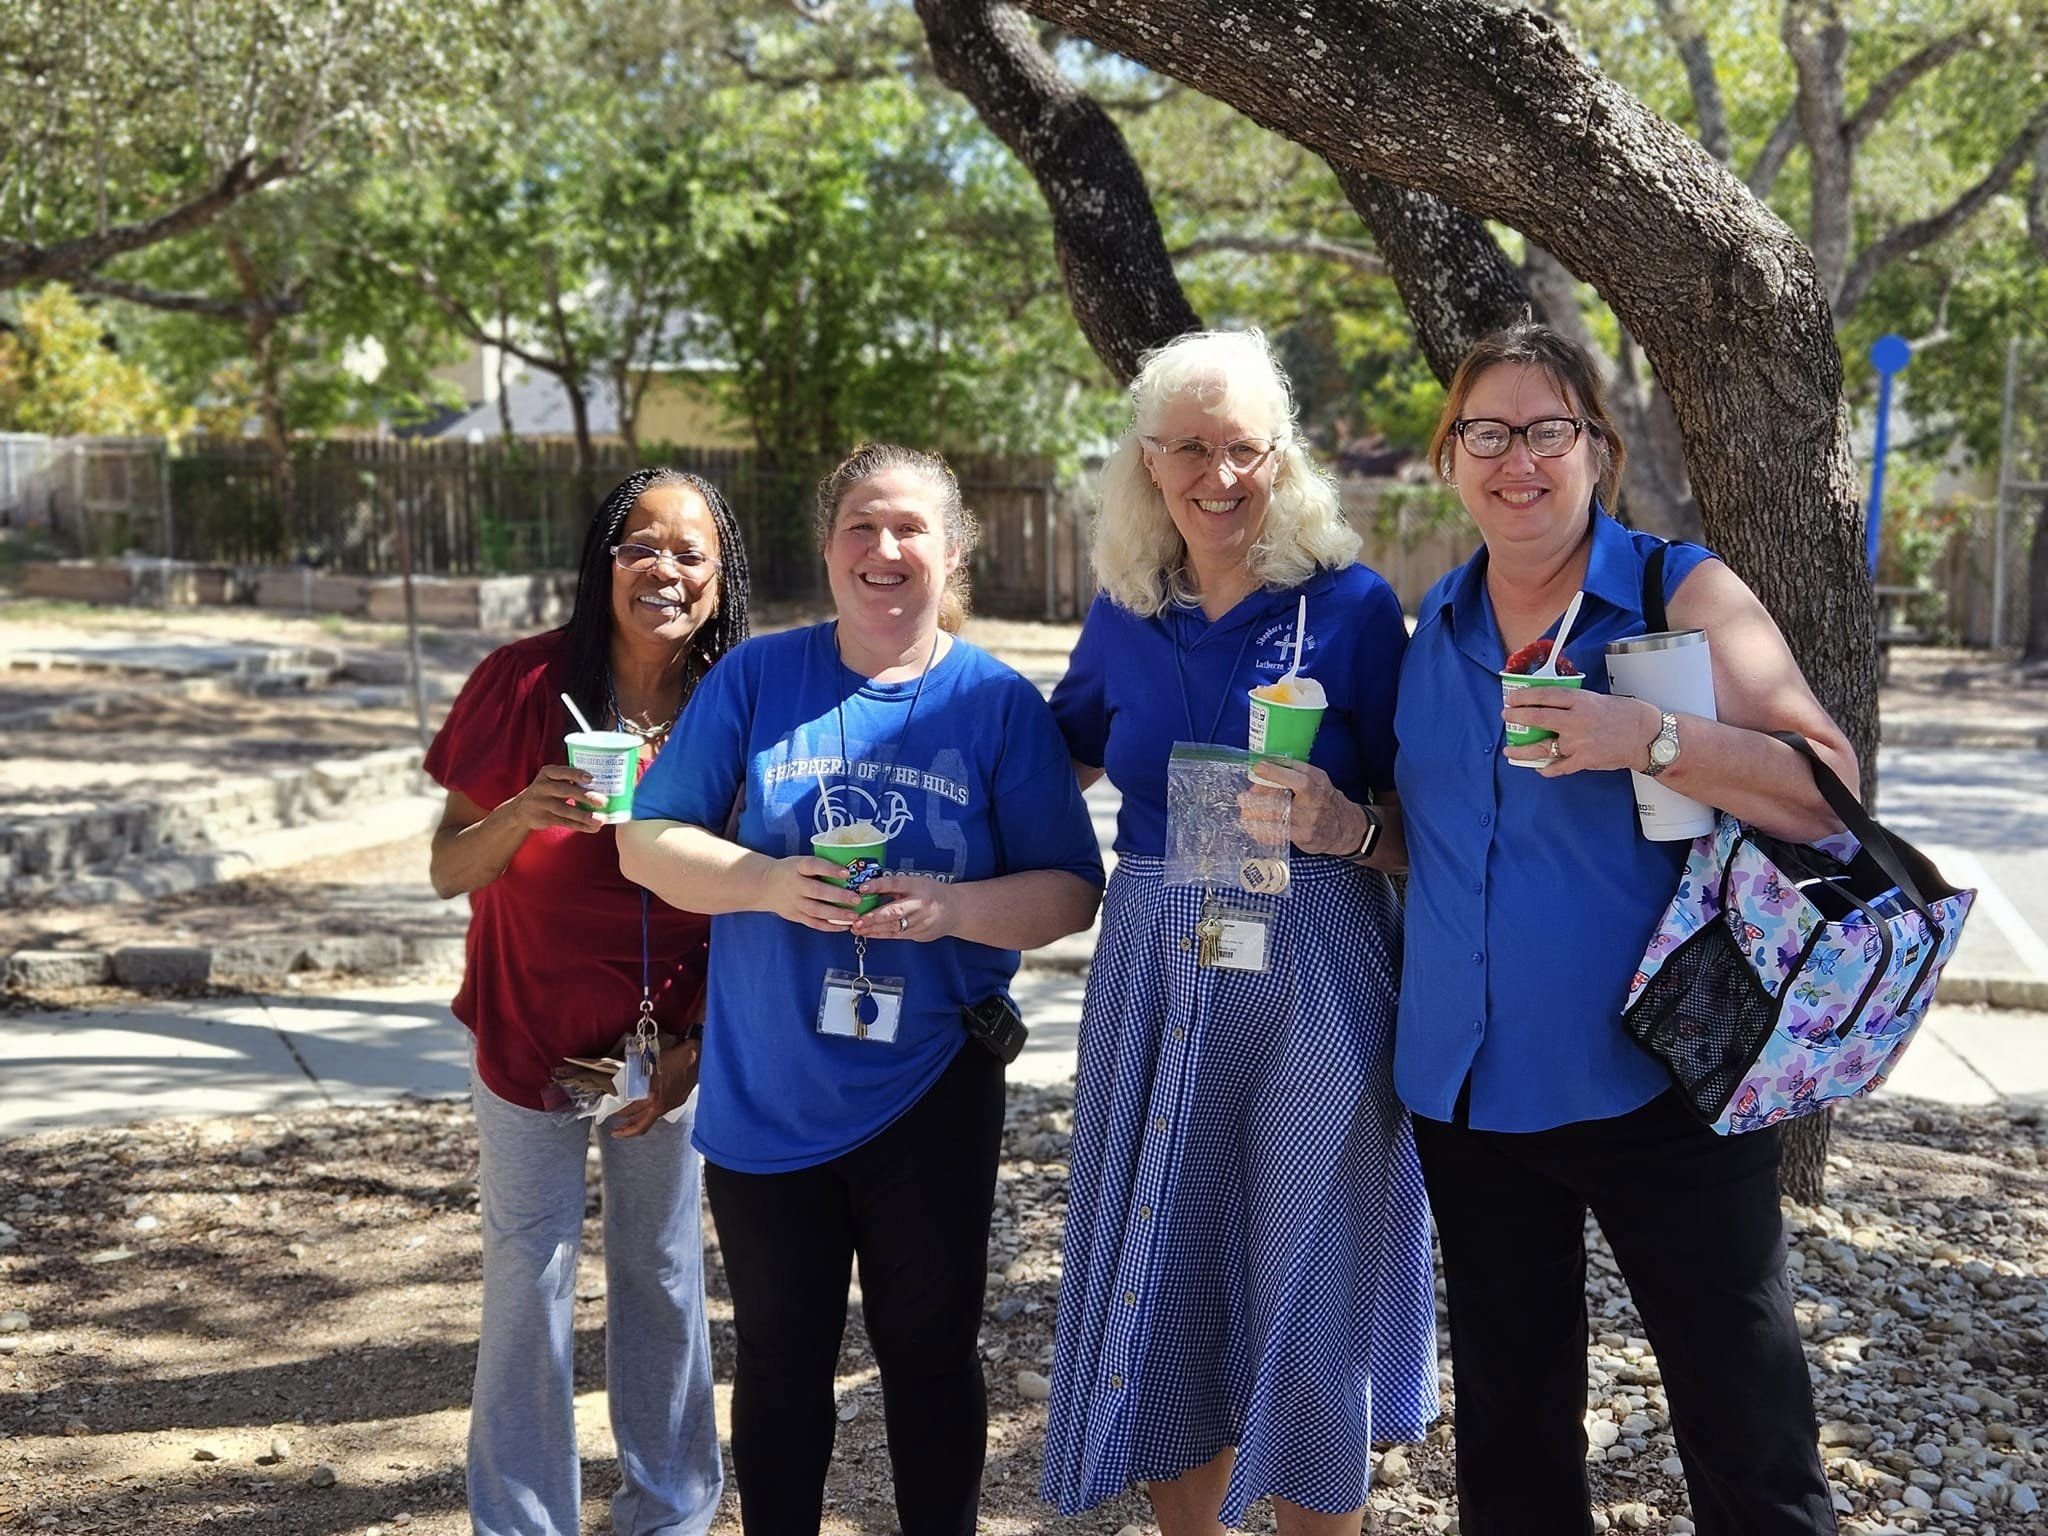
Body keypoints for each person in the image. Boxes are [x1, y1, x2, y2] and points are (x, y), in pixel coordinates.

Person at [1395, 320, 1854, 1536]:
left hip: (1663, 1082)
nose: (1517, 460)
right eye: (1484, 432)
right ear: (1449, 457)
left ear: (1595, 448)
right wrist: (1345, 827)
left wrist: (1644, 736)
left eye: (1547, 430)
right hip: (1472, 1095)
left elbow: (1828, 784)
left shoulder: (1675, 589)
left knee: (1741, 1419)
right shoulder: (1431, 628)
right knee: (1508, 1426)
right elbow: (1441, 837)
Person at [618, 443, 1103, 1536]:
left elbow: (1071, 890)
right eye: (861, 530)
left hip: (930, 1083)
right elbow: (644, 843)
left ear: (952, 551)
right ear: (828, 550)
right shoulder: (755, 679)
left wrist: (950, 910)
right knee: (783, 1356)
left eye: (910, 530)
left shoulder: (992, 703)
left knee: (928, 1352)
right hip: (767, 1088)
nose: (884, 551)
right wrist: (767, 883)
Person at [1042, 329, 1438, 1536]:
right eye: (1189, 450)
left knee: (1306, 1280)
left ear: (1282, 458)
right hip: (1155, 962)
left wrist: (1344, 823)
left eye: (1243, 449)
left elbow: (1432, 827)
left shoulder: (1354, 609)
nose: (1219, 475)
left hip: (1310, 963)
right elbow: (1055, 750)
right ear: (1146, 465)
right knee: (1165, 1271)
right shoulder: (1122, 612)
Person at [424, 467, 747, 1536]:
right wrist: (524, 810)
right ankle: (522, 1522)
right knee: (530, 1277)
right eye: (639, 545)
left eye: (689, 551)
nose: (664, 568)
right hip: (528, 1032)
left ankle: (670, 1508)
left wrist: (699, 1044)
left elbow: (758, 887)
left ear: (719, 574)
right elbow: (447, 871)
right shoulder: (522, 685)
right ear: (604, 563)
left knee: (660, 1272)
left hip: (675, 1040)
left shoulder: (740, 698)